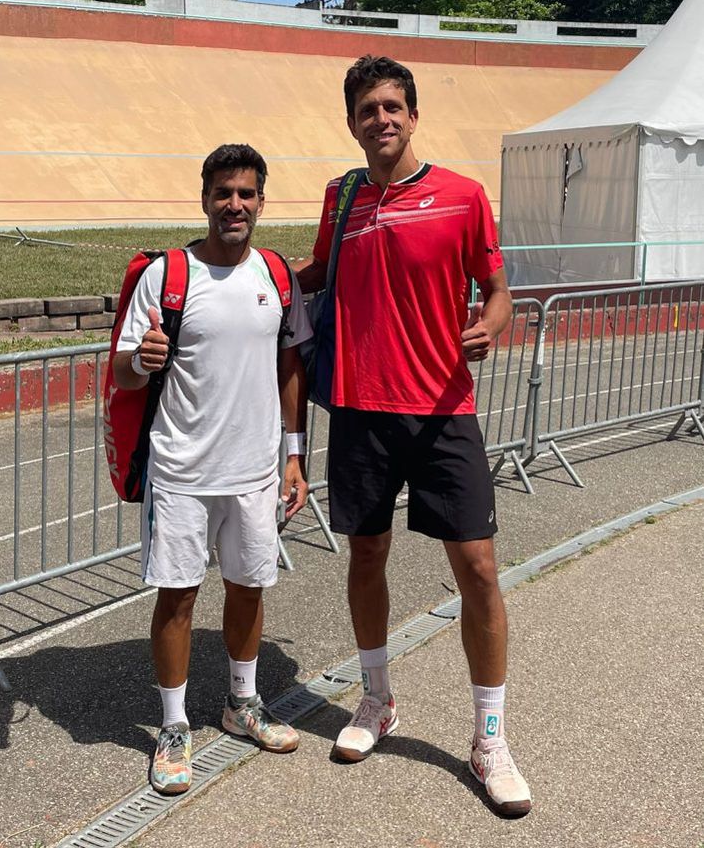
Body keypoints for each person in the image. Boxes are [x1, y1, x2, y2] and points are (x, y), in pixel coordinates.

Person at [295, 56, 531, 817]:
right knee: (367, 554)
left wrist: (489, 327)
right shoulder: (342, 196)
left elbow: (498, 293)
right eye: (368, 108)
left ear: (413, 114)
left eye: (393, 105)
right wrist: (233, 270)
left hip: (442, 410)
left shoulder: (463, 196)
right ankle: (376, 699)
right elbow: (316, 273)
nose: (382, 118)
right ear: (353, 121)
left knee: (481, 570)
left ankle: (489, 737)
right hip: (361, 411)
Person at [113, 143, 311, 795]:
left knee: (249, 588)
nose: (235, 204)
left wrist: (294, 454)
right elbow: (119, 369)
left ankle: (240, 703)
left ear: (261, 201)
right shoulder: (168, 275)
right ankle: (173, 726)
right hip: (182, 470)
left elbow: (290, 368)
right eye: (224, 192)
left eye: (247, 193)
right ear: (204, 198)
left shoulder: (275, 274)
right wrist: (141, 358)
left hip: (255, 470)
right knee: (178, 595)